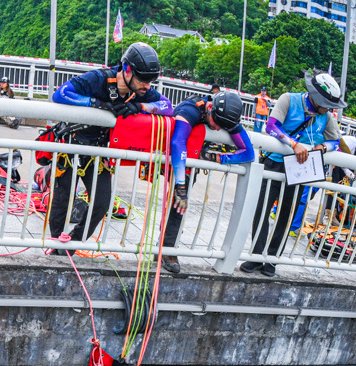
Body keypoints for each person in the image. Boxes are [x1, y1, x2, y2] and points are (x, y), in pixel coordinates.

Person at [49, 42, 174, 245]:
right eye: (143, 80)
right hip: (72, 143)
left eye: (151, 81)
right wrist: (95, 104)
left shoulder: (139, 92)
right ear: (127, 69)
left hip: (97, 151)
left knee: (102, 202)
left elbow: (167, 106)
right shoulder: (97, 79)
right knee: (63, 198)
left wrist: (139, 106)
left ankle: (72, 242)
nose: (148, 86)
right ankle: (55, 244)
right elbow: (61, 93)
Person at [239, 71, 344, 278]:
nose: (329, 108)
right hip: (274, 162)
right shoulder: (288, 99)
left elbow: (335, 142)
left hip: (300, 170)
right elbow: (271, 126)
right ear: (315, 97)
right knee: (262, 210)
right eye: (327, 103)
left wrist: (322, 147)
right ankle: (257, 255)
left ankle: (272, 259)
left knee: (285, 214)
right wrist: (293, 144)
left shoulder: (327, 117)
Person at [162, 90, 255, 273]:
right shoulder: (190, 110)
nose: (219, 129)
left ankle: (167, 246)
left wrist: (218, 158)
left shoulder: (225, 117)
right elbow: (177, 143)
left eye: (223, 126)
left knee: (179, 204)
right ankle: (166, 248)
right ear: (210, 108)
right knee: (179, 198)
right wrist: (180, 186)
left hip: (193, 157)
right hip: (169, 153)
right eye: (217, 124)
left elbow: (249, 153)